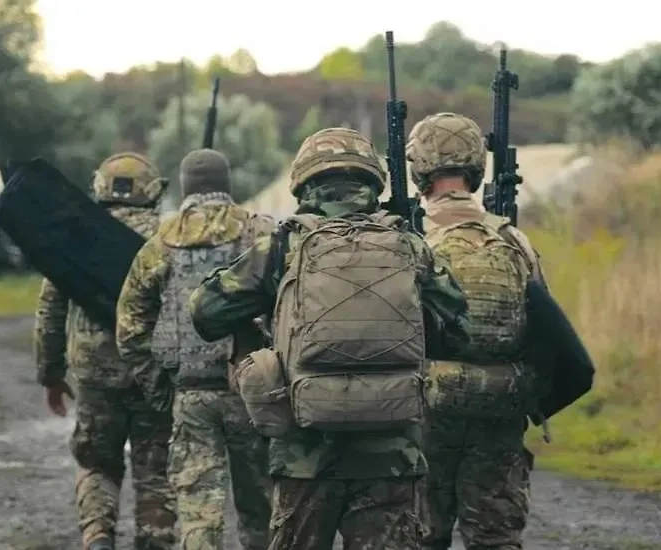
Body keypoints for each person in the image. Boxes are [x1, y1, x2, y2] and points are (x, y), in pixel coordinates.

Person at [188, 127, 471, 550]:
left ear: (304, 181)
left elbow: (205, 313)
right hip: (392, 455)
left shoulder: (282, 246)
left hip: (304, 456)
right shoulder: (409, 244)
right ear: (372, 181)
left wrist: (259, 333)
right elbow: (460, 328)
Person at [115, 148, 274, 550]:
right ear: (227, 184)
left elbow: (130, 326)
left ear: (186, 187)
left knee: (199, 513)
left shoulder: (161, 243)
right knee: (262, 507)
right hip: (252, 393)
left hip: (190, 395)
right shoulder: (260, 233)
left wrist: (159, 387)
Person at [405, 112, 550, 550]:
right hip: (500, 408)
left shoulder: (410, 239)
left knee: (420, 536)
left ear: (419, 168)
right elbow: (543, 326)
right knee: (495, 537)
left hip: (427, 411)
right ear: (476, 167)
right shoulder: (513, 240)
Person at [33, 153, 176, 550]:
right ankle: (155, 538)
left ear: (100, 187)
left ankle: (98, 536)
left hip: (94, 373)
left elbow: (50, 311)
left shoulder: (75, 234)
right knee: (156, 467)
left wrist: (51, 373)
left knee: (96, 461)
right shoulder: (168, 237)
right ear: (152, 189)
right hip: (153, 371)